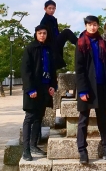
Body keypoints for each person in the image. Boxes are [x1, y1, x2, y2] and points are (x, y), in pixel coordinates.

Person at [75, 15, 106, 164]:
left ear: (97, 26)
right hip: (88, 88)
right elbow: (79, 68)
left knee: (103, 119)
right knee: (83, 120)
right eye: (89, 24)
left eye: (95, 24)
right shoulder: (81, 43)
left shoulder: (103, 43)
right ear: (85, 26)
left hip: (102, 86)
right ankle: (82, 150)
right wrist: (82, 90)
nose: (92, 27)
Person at [21, 25, 57, 161]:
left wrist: (53, 85)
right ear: (36, 34)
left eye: (44, 33)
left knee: (39, 117)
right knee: (29, 117)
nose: (42, 35)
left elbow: (52, 70)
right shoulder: (30, 48)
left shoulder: (48, 49)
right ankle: (26, 150)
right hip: (33, 88)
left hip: (45, 88)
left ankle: (34, 145)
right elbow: (25, 70)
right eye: (40, 33)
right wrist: (30, 89)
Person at [40, 0, 78, 69]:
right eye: (49, 8)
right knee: (67, 31)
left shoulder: (53, 19)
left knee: (66, 33)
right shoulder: (44, 21)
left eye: (53, 8)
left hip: (56, 40)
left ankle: (79, 43)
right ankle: (80, 43)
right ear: (45, 9)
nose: (52, 10)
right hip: (51, 43)